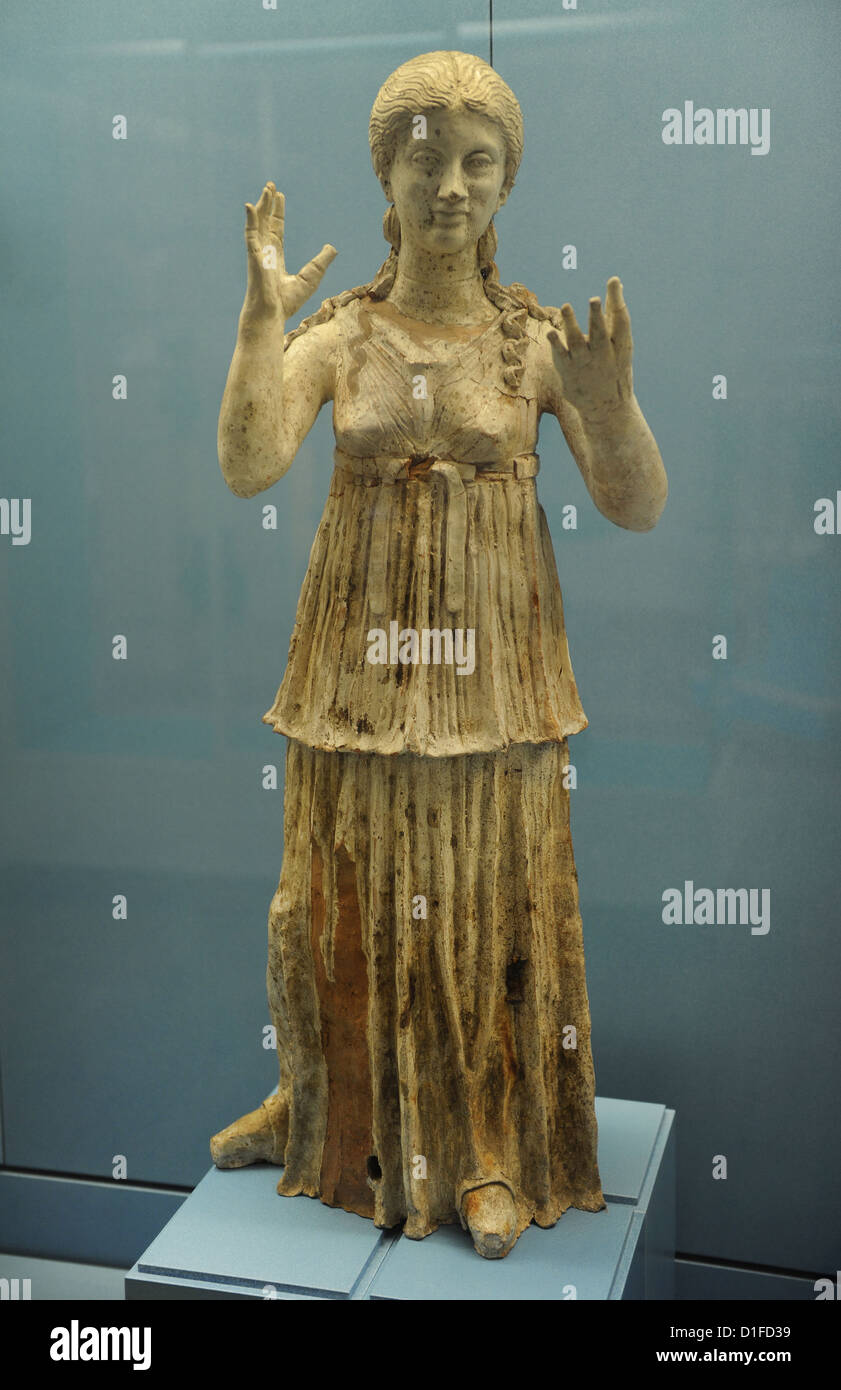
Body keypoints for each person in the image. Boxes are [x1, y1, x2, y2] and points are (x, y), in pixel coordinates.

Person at [211, 50, 667, 1261]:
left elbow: (637, 504)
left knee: (482, 904)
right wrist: (262, 327)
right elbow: (250, 460)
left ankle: (482, 1149)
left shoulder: (529, 345)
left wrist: (610, 407)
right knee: (332, 892)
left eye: (478, 161)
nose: (451, 186)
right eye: (426, 160)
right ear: (387, 176)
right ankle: (323, 1106)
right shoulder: (343, 334)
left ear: (507, 182)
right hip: (355, 676)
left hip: (495, 682)